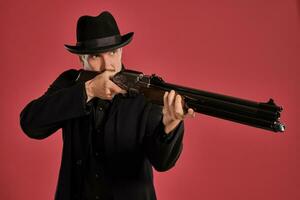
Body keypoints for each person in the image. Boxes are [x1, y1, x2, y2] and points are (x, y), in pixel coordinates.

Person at [20, 11, 195, 200]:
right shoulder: (71, 84)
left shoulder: (145, 93)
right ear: (82, 59)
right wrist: (88, 91)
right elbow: (31, 124)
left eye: (112, 52)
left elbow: (163, 163)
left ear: (121, 51)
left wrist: (170, 125)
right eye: (96, 56)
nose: (108, 66)